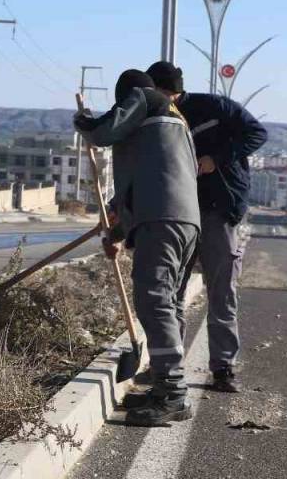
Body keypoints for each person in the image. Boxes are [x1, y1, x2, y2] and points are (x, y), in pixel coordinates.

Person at [76, 69, 201, 426]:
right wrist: (118, 230)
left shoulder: (145, 99)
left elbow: (103, 131)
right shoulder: (175, 123)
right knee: (169, 302)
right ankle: (166, 389)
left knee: (154, 300)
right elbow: (151, 178)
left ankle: (174, 393)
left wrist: (84, 122)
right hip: (185, 221)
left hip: (162, 219)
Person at [145, 61, 268, 393]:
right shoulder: (154, 118)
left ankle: (223, 367)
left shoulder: (215, 108)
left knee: (221, 291)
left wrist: (216, 158)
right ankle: (169, 365)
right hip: (177, 214)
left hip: (217, 211)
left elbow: (257, 133)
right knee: (171, 292)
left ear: (168, 90)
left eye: (156, 93)